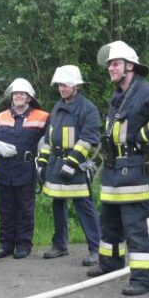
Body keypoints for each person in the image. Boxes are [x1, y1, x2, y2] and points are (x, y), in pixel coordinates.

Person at [87, 41, 149, 296]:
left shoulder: (145, 91)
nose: (110, 68)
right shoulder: (118, 95)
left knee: (137, 224)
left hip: (134, 169)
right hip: (113, 169)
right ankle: (110, 262)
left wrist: (143, 137)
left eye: (115, 64)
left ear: (130, 66)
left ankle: (144, 278)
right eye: (109, 65)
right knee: (110, 221)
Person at [37, 65, 101, 266]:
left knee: (84, 207)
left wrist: (71, 163)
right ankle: (60, 245)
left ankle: (97, 249)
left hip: (76, 167)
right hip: (56, 165)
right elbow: (48, 138)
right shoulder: (57, 107)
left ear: (76, 86)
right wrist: (42, 163)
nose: (61, 89)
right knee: (58, 205)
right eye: (59, 85)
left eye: (65, 85)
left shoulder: (88, 109)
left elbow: (89, 139)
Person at [0, 78, 49, 259]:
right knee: (5, 209)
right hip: (4, 170)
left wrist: (43, 160)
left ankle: (23, 245)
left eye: (22, 94)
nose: (19, 97)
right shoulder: (0, 118)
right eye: (16, 94)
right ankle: (6, 245)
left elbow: (50, 139)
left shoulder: (42, 117)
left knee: (25, 209)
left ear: (29, 97)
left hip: (26, 170)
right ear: (12, 96)